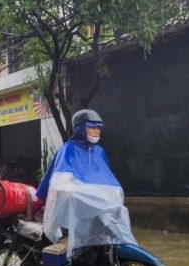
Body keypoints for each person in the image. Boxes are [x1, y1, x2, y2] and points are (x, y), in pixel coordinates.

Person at [36, 109, 136, 255]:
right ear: (81, 128)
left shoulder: (100, 152)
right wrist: (74, 188)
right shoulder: (68, 148)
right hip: (76, 206)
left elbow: (107, 180)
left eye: (99, 127)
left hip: (96, 207)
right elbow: (61, 181)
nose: (97, 131)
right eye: (92, 127)